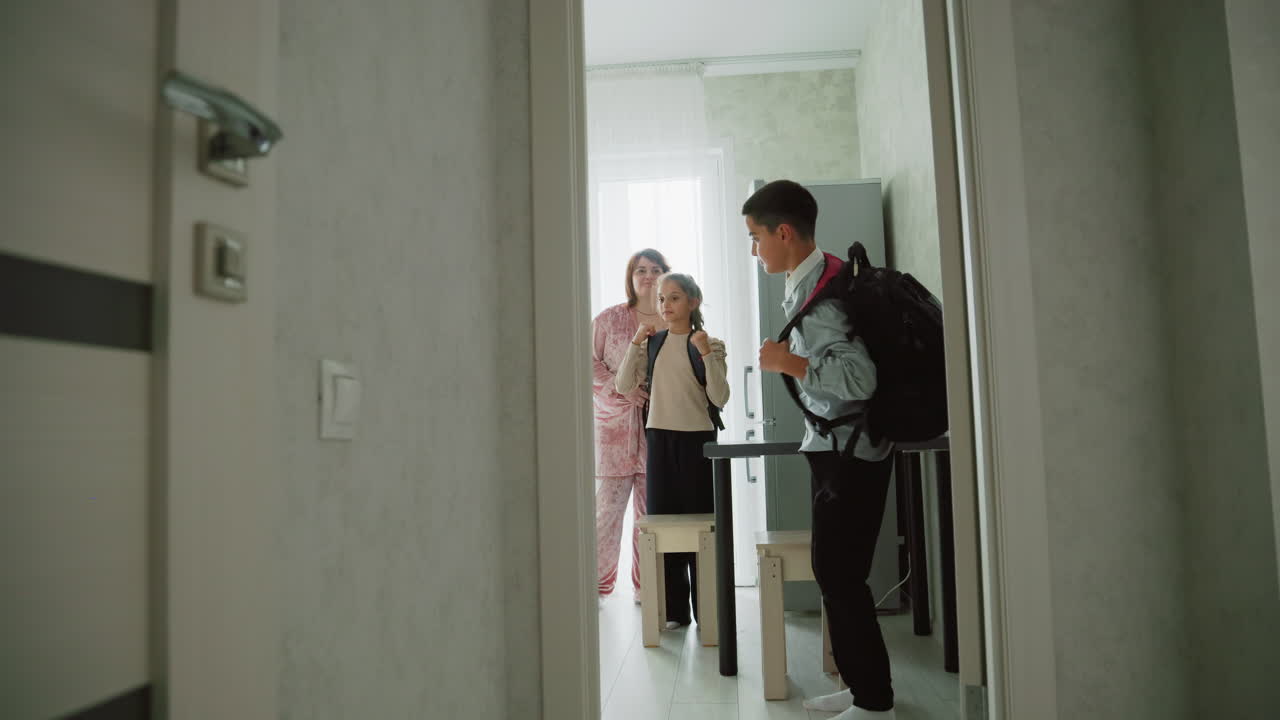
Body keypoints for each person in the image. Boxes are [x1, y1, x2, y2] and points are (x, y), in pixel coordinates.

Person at [744, 180, 897, 720]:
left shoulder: (822, 295)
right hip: (843, 447)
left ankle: (875, 703)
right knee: (837, 573)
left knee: (839, 575)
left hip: (849, 452)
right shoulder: (821, 276)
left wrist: (789, 364)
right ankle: (861, 689)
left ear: (783, 232)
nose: (754, 248)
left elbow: (861, 379)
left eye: (756, 237)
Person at [615, 272, 729, 628]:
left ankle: (707, 609)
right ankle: (675, 612)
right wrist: (636, 342)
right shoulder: (652, 344)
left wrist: (706, 353)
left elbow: (720, 397)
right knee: (664, 526)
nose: (666, 305)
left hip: (699, 442)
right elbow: (622, 385)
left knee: (702, 526)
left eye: (675, 298)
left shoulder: (712, 344)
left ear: (693, 302)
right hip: (660, 441)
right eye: (662, 299)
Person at [593, 249, 670, 603]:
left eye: (655, 270)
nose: (648, 276)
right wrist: (623, 392)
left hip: (660, 430)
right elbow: (587, 365)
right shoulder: (608, 319)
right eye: (641, 270)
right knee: (607, 513)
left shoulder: (675, 320)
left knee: (650, 515)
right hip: (615, 433)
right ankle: (595, 586)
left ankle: (648, 588)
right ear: (631, 276)